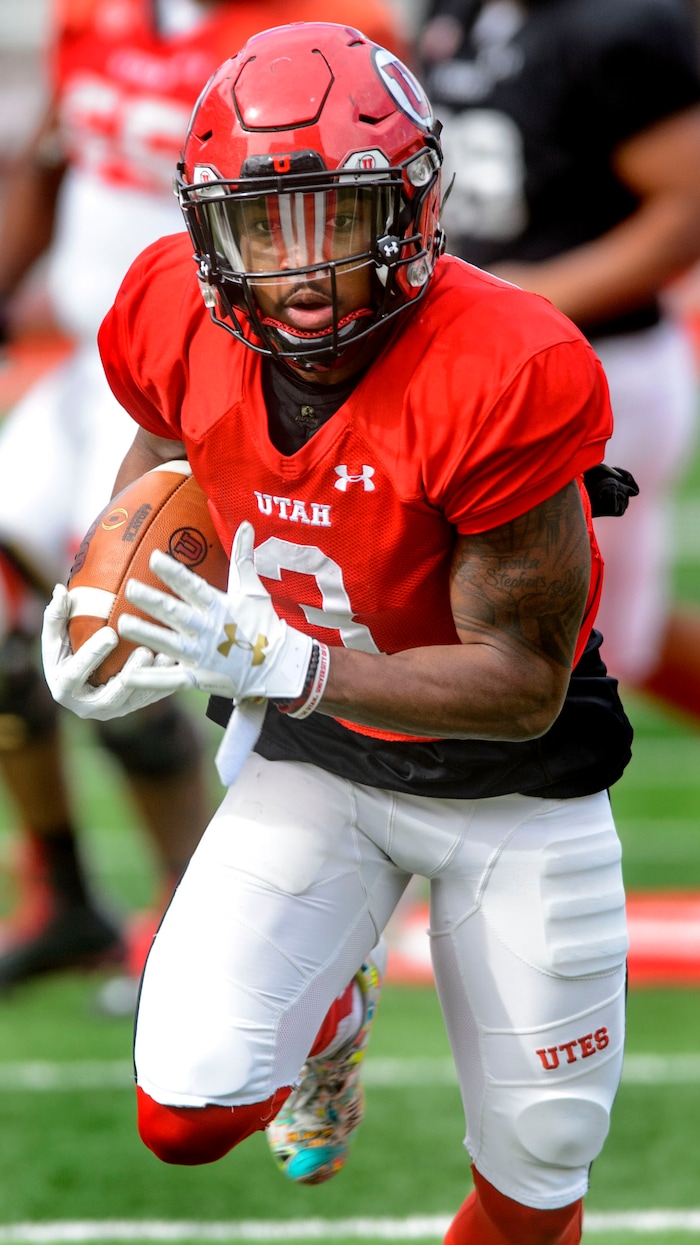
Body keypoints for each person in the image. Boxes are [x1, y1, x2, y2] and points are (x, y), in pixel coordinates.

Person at [42, 22, 633, 1244]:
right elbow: (168, 449)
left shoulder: (508, 364)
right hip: (320, 758)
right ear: (212, 231)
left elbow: (523, 685)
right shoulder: (166, 305)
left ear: (412, 211)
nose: (300, 266)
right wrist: (114, 593)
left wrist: (286, 663)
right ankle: (330, 1018)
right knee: (186, 1114)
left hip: (516, 791)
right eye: (263, 225)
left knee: (537, 1175)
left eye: (337, 217)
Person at [0, 0, 406, 996]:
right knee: (37, 633)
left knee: (140, 619)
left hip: (224, 362)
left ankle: (209, 914)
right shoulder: (91, 14)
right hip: (95, 359)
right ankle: (66, 892)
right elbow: (55, 162)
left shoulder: (320, 26)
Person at [417, 0, 700, 723]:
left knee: (553, 649)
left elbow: (690, 205)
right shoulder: (463, 10)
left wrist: (534, 298)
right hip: (472, 363)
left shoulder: (615, 26)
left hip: (588, 370)